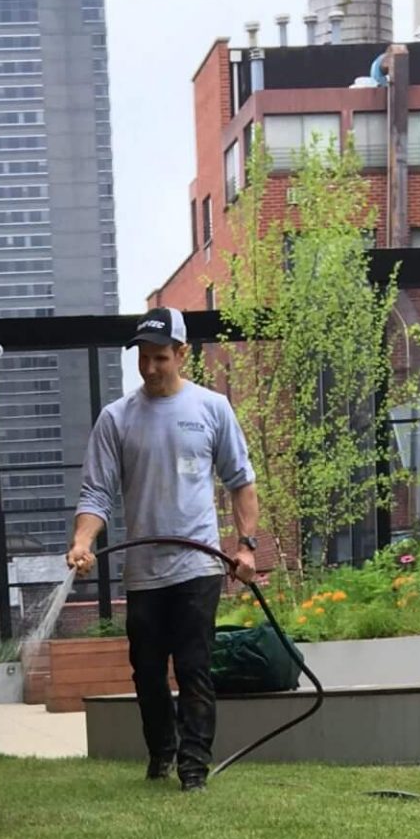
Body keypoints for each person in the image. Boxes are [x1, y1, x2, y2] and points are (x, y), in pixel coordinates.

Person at [69, 307, 260, 792]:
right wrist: (82, 542)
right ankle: (162, 753)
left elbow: (241, 482)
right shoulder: (117, 418)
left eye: (160, 358)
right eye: (143, 358)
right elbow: (96, 494)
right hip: (145, 571)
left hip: (197, 564)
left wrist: (246, 547)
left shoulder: (212, 409)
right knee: (148, 671)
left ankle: (194, 768)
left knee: (195, 666)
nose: (151, 368)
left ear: (181, 354)